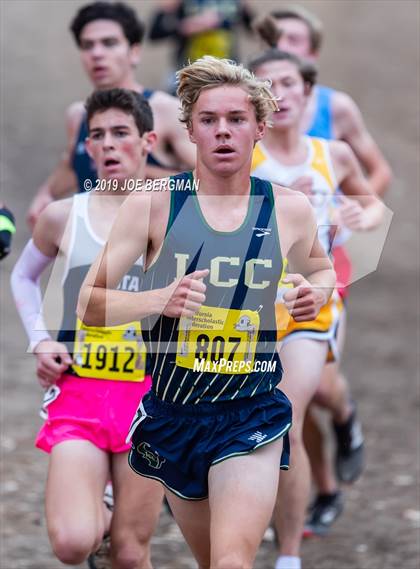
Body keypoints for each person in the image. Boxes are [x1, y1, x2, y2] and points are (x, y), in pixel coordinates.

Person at [77, 55, 337, 569]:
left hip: (252, 410)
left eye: (236, 120)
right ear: (190, 130)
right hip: (175, 413)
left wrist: (316, 293)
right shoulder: (153, 205)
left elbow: (323, 273)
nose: (223, 132)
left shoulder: (287, 209)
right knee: (208, 560)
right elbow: (88, 302)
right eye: (209, 120)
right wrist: (157, 300)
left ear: (260, 127)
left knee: (231, 563)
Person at [254, 3, 392, 532]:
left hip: (324, 276)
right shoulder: (245, 154)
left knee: (311, 393)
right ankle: (285, 502)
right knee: (287, 403)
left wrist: (363, 211)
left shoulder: (332, 149)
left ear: (307, 85)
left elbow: (374, 203)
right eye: (269, 85)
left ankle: (344, 419)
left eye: (290, 82)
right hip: (258, 290)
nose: (282, 93)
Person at [11, 89, 163, 569]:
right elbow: (22, 276)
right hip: (80, 391)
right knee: (73, 543)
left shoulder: (176, 215)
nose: (109, 145)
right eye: (97, 136)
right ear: (87, 148)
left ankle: (116, 521)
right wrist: (40, 339)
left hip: (151, 399)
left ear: (147, 141)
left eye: (121, 133)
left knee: (131, 554)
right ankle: (100, 513)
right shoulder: (64, 216)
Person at [27, 0, 196, 229]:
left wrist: (137, 170)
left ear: (134, 52)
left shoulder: (166, 110)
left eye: (109, 43)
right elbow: (73, 166)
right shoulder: (78, 115)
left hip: (153, 250)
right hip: (93, 252)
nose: (97, 53)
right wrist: (44, 195)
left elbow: (208, 182)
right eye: (88, 45)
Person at [149, 0, 254, 94]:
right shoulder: (179, 3)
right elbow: (155, 33)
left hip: (227, 71)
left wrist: (246, 8)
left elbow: (252, 29)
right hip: (188, 71)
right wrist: (185, 26)